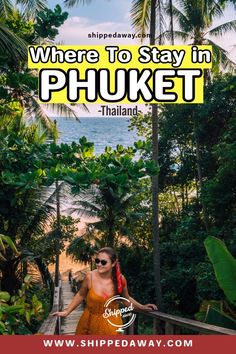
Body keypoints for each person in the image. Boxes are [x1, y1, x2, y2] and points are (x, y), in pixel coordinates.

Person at [53, 247, 157, 335]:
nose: (99, 264)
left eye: (103, 262)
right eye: (97, 261)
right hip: (88, 322)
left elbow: (126, 299)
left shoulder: (120, 279)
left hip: (111, 325)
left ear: (113, 263)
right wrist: (67, 311)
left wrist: (142, 307)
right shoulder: (90, 276)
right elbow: (81, 294)